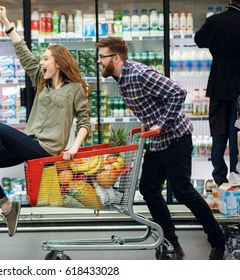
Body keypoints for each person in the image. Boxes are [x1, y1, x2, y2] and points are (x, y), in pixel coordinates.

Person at [0, 6, 91, 237]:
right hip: (28, 144)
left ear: (58, 63)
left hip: (46, 150)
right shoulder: (42, 82)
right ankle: (6, 207)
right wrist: (5, 21)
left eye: (45, 59)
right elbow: (23, 52)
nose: (40, 62)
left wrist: (74, 147)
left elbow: (84, 122)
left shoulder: (75, 89)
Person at [96, 37, 226, 260]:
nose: (98, 61)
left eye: (101, 57)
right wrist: (148, 122)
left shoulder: (139, 73)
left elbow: (177, 93)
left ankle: (217, 239)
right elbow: (154, 102)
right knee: (149, 188)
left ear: (115, 58)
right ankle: (170, 242)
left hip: (176, 137)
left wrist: (161, 123)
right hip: (157, 142)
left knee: (182, 190)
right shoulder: (120, 78)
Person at [194, 1, 240, 186]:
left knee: (218, 129)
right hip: (239, 82)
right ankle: (237, 173)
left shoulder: (215, 21)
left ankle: (219, 176)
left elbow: (199, 40)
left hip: (219, 80)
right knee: (236, 130)